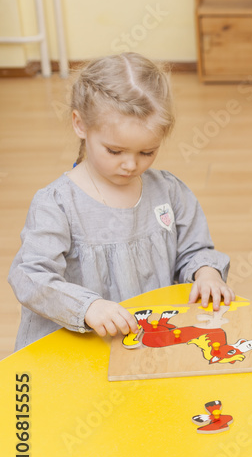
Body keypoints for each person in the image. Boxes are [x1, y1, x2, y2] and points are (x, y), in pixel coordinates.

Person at [9, 52, 233, 352]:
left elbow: (194, 250)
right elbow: (30, 276)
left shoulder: (169, 191)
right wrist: (88, 307)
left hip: (145, 343)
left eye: (147, 152)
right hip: (79, 347)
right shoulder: (57, 204)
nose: (131, 165)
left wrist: (206, 272)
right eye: (115, 151)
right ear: (80, 124)